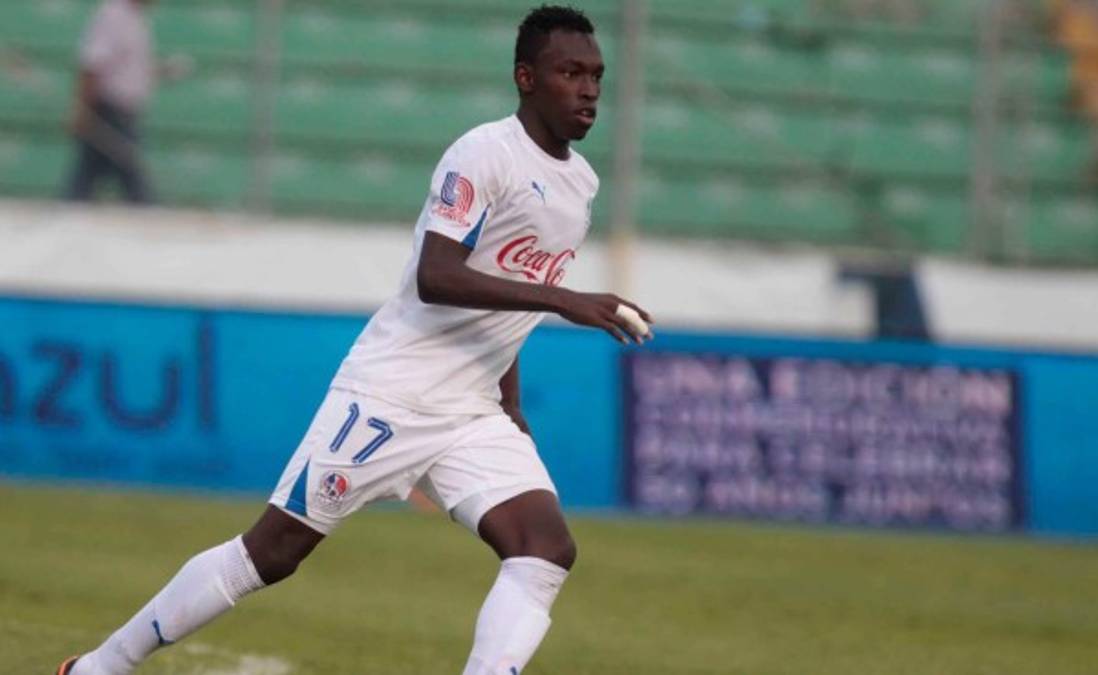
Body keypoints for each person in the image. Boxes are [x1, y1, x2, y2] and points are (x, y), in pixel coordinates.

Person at [57, 5, 652, 674]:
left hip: (471, 411)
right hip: (390, 394)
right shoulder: (484, 154)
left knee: (544, 549)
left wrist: (510, 401)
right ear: (526, 78)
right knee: (270, 554)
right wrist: (567, 301)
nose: (589, 90)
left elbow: (507, 298)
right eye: (570, 73)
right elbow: (438, 275)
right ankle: (100, 665)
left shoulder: (581, 185)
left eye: (596, 76)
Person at [64, 0, 159, 204]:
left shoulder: (135, 17)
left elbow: (129, 68)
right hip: (109, 109)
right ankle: (147, 210)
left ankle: (69, 206)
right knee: (131, 173)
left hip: (124, 110)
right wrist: (82, 108)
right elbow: (92, 65)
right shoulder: (113, 15)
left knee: (88, 170)